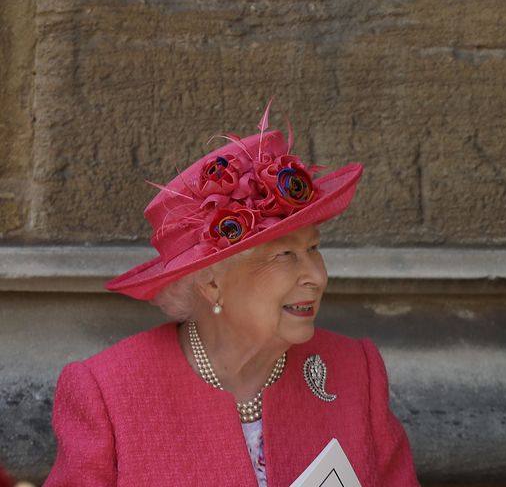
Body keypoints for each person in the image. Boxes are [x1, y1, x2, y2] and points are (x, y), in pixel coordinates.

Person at [44, 107, 420, 487]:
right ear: (211, 284)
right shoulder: (107, 394)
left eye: (314, 249)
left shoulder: (356, 371)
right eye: (284, 255)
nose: (317, 276)